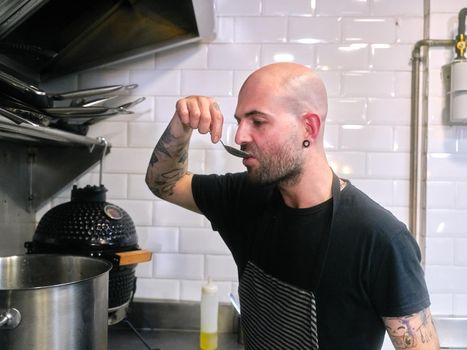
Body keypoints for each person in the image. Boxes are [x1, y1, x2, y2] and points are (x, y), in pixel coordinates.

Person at [145, 62, 440, 349]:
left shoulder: (379, 238)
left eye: (257, 121)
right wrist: (181, 125)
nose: (240, 136)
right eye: (239, 121)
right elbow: (164, 183)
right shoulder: (243, 197)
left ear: (308, 128)